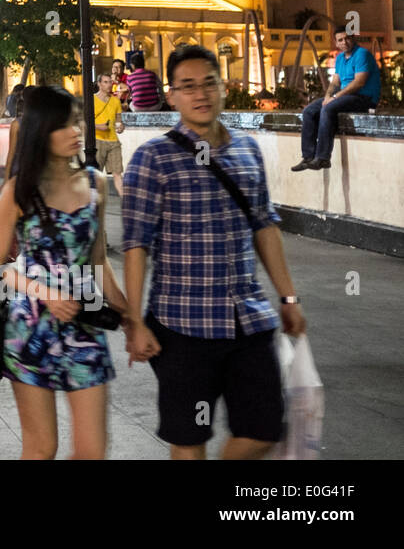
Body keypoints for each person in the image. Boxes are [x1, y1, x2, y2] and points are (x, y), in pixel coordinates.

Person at [123, 44, 305, 460]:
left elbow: (264, 225)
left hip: (248, 320)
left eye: (209, 83)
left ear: (223, 88)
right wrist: (135, 322)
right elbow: (136, 246)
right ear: (171, 96)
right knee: (189, 440)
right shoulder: (153, 159)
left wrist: (288, 297)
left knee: (264, 429)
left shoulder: (247, 150)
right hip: (182, 324)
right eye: (187, 87)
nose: (200, 94)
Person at [0, 85, 133, 460]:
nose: (76, 131)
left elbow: (98, 260)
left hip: (85, 326)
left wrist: (130, 317)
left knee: (92, 451)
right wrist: (44, 292)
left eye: (77, 121)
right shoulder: (19, 191)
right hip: (31, 328)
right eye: (63, 125)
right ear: (41, 132)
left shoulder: (96, 183)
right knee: (40, 448)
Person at [292, 25, 381, 172]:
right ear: (336, 42)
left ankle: (323, 158)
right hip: (345, 96)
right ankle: (308, 157)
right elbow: (335, 82)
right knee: (309, 111)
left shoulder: (362, 54)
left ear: (353, 38)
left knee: (328, 108)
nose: (344, 42)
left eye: (347, 38)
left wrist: (334, 97)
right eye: (340, 40)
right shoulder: (340, 58)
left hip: (365, 97)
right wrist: (328, 96)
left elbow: (359, 82)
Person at [92, 72, 125, 196]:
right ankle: (94, 204)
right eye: (105, 82)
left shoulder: (115, 101)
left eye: (110, 82)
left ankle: (125, 203)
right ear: (99, 84)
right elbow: (85, 122)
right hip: (98, 140)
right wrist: (99, 127)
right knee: (97, 175)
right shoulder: (92, 99)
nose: (109, 84)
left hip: (113, 141)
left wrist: (121, 126)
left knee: (118, 174)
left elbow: (118, 120)